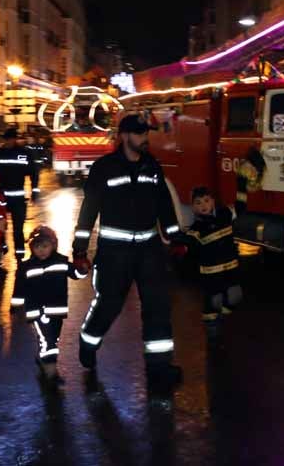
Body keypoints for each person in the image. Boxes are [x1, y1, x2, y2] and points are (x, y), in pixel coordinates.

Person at [72, 114, 183, 389]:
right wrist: (80, 249)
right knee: (109, 305)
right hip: (114, 253)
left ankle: (159, 369)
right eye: (138, 133)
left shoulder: (152, 166)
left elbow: (164, 204)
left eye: (145, 133)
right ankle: (88, 342)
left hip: (149, 250)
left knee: (158, 308)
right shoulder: (104, 168)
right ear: (124, 136)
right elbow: (89, 211)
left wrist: (175, 235)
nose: (144, 138)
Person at [10, 226, 87, 387]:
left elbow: (76, 274)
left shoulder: (61, 261)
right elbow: (19, 288)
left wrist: (83, 268)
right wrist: (15, 306)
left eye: (45, 246)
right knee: (49, 341)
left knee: (52, 337)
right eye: (37, 247)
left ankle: (42, 356)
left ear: (53, 245)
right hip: (37, 311)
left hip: (57, 311)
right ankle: (51, 373)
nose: (41, 250)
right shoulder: (26, 266)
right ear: (32, 248)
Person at [173, 187, 242, 327]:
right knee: (214, 301)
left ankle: (223, 320)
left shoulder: (225, 215)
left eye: (206, 201)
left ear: (213, 202)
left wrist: (243, 181)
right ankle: (213, 335)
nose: (203, 205)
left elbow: (241, 206)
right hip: (211, 275)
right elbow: (185, 246)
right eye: (198, 203)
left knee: (235, 296)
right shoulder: (196, 229)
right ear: (192, 207)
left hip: (231, 269)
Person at [0, 129, 38, 260]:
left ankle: (20, 256)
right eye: (7, 139)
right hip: (1, 198)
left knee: (18, 230)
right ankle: (2, 248)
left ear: (15, 139)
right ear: (4, 140)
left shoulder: (23, 153)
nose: (10, 142)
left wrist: (34, 191)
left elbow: (33, 173)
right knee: (0, 228)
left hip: (18, 199)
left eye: (12, 139)